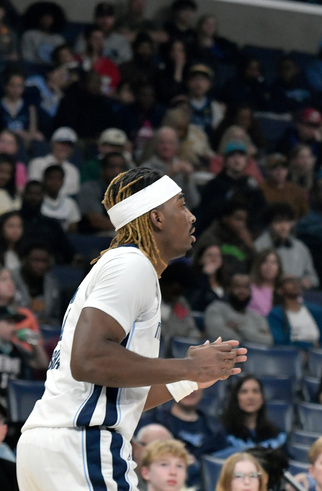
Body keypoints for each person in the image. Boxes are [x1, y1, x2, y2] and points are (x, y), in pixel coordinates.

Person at [16, 166, 246, 491]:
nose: (192, 216)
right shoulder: (132, 264)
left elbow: (118, 393)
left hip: (52, 449)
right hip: (82, 445)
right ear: (157, 218)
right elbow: (89, 361)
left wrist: (189, 379)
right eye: (181, 205)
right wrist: (189, 365)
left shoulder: (122, 266)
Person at [215, 375, 287, 457]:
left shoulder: (276, 436)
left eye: (255, 391)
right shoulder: (224, 433)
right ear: (236, 398)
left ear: (262, 398)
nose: (250, 397)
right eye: (244, 391)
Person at [204, 270, 274, 346]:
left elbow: (268, 340)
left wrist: (240, 329)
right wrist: (253, 336)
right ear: (229, 289)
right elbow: (217, 335)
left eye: (246, 287)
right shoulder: (216, 309)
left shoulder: (257, 317)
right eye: (237, 286)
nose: (242, 291)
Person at [267, 274, 322, 349]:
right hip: (290, 357)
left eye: (297, 281)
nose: (295, 283)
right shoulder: (275, 314)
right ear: (279, 290)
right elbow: (280, 343)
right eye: (289, 281)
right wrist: (311, 346)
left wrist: (317, 352)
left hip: (318, 357)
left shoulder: (317, 311)